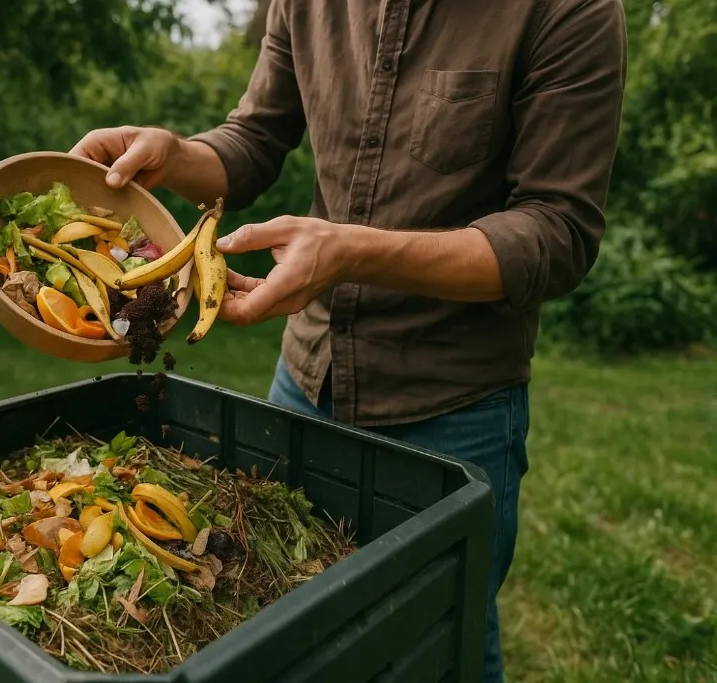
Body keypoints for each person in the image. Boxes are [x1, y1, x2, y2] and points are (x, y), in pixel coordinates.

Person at [71, 0, 627, 679]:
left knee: (433, 646)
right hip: (305, 382)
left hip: (453, 408)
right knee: (295, 629)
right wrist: (176, 152)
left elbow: (557, 231)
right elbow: (254, 139)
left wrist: (353, 252)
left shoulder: (570, 10)